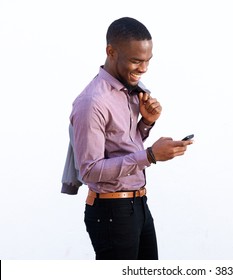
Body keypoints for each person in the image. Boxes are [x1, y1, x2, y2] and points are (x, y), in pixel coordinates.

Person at [66, 17, 193, 260]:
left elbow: (120, 145)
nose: (143, 68)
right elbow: (90, 170)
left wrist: (145, 122)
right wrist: (150, 156)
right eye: (136, 61)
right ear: (111, 52)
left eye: (147, 60)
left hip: (138, 205)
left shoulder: (130, 91)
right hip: (111, 212)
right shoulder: (92, 103)